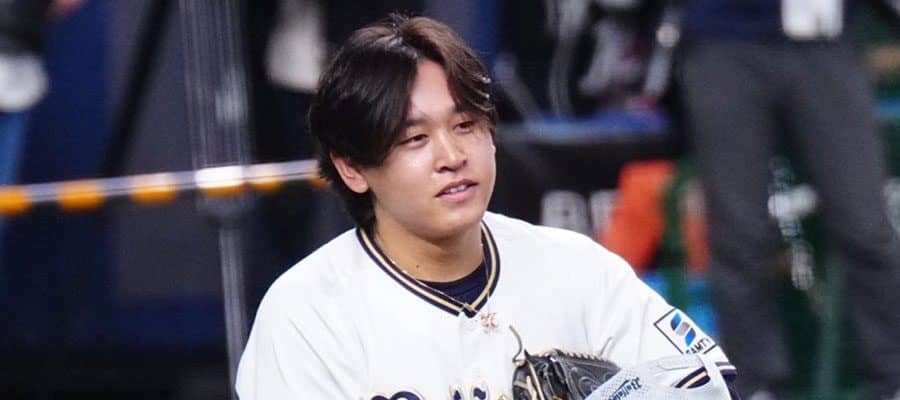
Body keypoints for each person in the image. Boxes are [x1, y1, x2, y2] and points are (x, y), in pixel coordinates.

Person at [236, 14, 735, 399]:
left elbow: (708, 382)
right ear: (352, 168)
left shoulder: (578, 268)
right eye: (414, 139)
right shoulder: (307, 314)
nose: (452, 156)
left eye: (465, 126)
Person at [677, 1, 900, 399]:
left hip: (825, 40)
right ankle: (754, 385)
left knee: (866, 226)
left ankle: (893, 378)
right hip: (726, 40)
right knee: (738, 234)